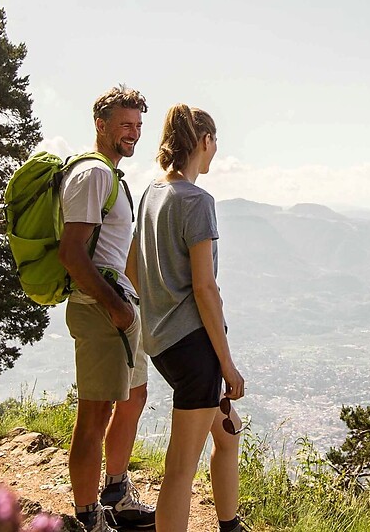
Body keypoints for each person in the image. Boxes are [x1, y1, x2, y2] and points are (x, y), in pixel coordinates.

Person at [126, 104, 249, 532]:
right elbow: (205, 289)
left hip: (163, 344)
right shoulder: (198, 202)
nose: (215, 151)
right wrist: (227, 365)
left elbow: (131, 271)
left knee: (228, 433)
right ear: (205, 142)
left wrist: (156, 317)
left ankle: (230, 524)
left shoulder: (151, 195)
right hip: (195, 349)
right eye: (215, 143)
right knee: (180, 469)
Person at [58, 85, 156, 532]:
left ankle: (116, 491)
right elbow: (73, 254)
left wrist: (133, 306)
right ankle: (86, 516)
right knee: (93, 418)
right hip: (99, 311)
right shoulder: (93, 175)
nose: (133, 133)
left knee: (135, 396)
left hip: (118, 310)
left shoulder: (112, 175)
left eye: (137, 125)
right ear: (101, 124)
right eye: (125, 125)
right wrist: (116, 308)